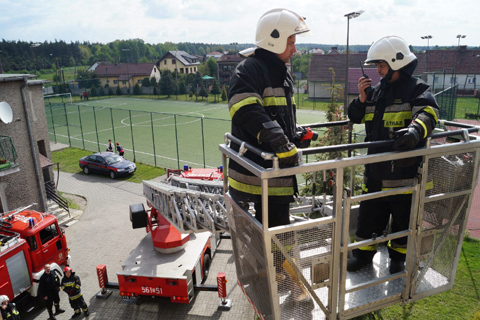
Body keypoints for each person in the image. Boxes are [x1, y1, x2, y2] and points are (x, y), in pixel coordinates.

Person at [228, 8, 315, 303]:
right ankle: (293, 286)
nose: (294, 48)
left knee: (277, 231)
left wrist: (295, 133)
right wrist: (282, 145)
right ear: (274, 40)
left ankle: (278, 276)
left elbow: (275, 116)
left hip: (273, 174)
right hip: (259, 176)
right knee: (277, 233)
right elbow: (247, 109)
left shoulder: (279, 71)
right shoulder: (250, 69)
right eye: (291, 42)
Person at [347, 35, 439, 274]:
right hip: (375, 170)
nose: (377, 70)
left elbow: (429, 113)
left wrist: (415, 131)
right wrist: (361, 99)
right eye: (376, 66)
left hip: (403, 172)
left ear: (396, 62)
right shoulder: (376, 91)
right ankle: (363, 255)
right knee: (369, 217)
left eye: (381, 65)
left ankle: (398, 257)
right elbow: (355, 116)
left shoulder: (417, 89)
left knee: (402, 217)